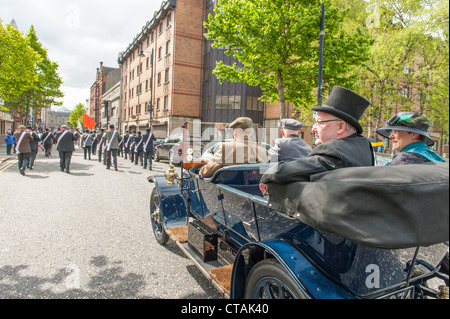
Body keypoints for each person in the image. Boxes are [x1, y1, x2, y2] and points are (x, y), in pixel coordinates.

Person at [260, 86, 375, 195]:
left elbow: (289, 171)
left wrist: (268, 175)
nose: (313, 128)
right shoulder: (364, 147)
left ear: (340, 127)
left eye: (320, 122)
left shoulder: (335, 151)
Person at [199, 117, 269, 178]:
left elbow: (206, 173)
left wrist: (200, 170)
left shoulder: (226, 148)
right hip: (254, 190)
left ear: (235, 131)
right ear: (251, 132)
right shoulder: (263, 151)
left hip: (227, 190)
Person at [376, 112, 445, 165]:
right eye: (392, 131)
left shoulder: (405, 159)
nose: (391, 136)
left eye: (396, 131)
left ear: (415, 134)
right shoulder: (434, 158)